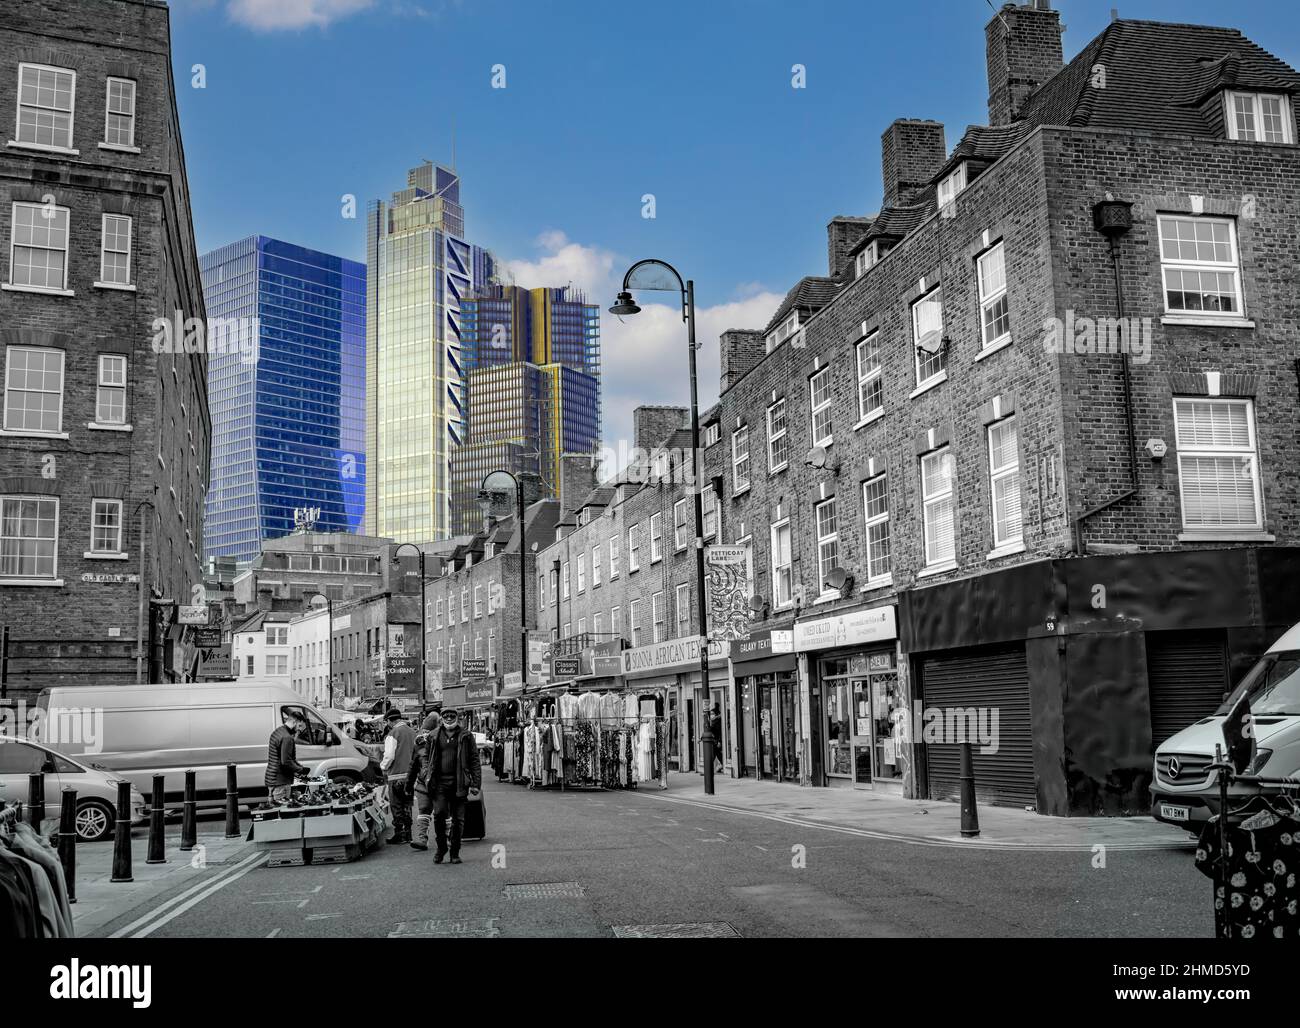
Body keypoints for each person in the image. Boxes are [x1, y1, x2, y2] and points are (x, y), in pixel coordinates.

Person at [426, 707, 481, 864]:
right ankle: (441, 847)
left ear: (458, 718)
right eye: (446, 716)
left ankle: (455, 852)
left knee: (458, 819)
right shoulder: (433, 735)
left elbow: (474, 760)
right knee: (439, 815)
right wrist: (425, 773)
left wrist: (476, 783)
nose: (449, 718)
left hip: (459, 783)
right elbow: (426, 757)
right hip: (439, 783)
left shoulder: (466, 735)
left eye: (452, 716)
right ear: (441, 718)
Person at [405, 710, 442, 851]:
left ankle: (447, 838)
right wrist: (408, 786)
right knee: (424, 810)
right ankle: (422, 840)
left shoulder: (444, 741)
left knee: (442, 812)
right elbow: (413, 765)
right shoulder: (419, 744)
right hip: (424, 783)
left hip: (438, 783)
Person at [380, 708, 416, 845]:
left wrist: (383, 766)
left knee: (397, 806)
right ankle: (408, 833)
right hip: (410, 776)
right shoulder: (413, 733)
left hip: (396, 776)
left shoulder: (393, 733)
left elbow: (389, 756)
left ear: (390, 720)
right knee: (407, 805)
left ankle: (399, 834)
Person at [265, 709, 308, 805]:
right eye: (299, 726)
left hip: (272, 779)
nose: (299, 729)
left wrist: (298, 766)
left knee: (274, 812)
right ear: (294, 722)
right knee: (283, 813)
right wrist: (300, 770)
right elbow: (286, 761)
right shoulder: (287, 737)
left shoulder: (278, 731)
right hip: (281, 781)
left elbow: (285, 757)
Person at [709, 704, 724, 773]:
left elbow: (720, 732)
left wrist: (719, 741)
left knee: (715, 754)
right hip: (715, 741)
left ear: (716, 714)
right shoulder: (713, 721)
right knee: (717, 754)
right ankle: (721, 765)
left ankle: (708, 770)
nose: (711, 715)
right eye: (711, 714)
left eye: (712, 714)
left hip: (717, 741)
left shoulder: (717, 722)